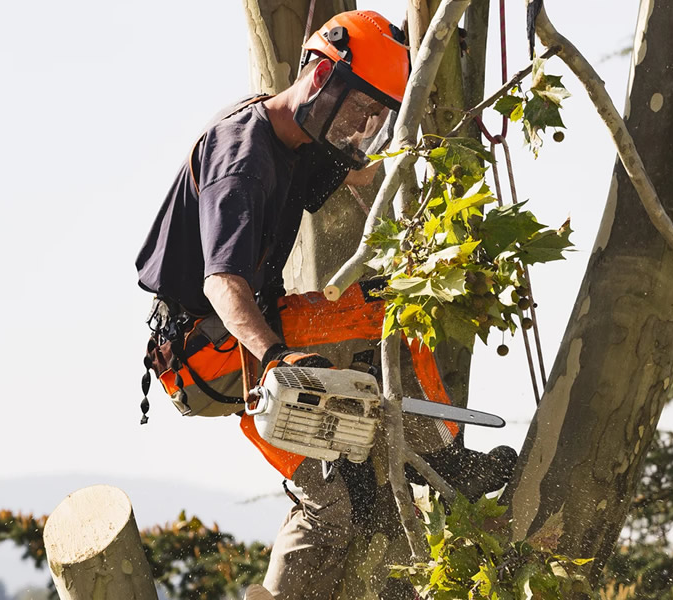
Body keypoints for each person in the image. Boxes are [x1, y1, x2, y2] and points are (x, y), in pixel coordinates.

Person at [135, 10, 515, 599]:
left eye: (376, 116)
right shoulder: (243, 159)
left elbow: (364, 176)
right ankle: (434, 467)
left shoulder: (306, 136)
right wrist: (276, 357)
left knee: (388, 310)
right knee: (331, 499)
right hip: (213, 351)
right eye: (361, 109)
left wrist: (429, 65)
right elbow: (222, 283)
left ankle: (428, 464)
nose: (364, 127)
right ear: (319, 77)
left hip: (251, 335)